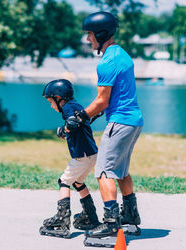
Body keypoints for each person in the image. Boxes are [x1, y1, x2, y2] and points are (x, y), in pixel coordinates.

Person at [76, 11, 144, 239]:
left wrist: (79, 117)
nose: (88, 39)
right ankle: (131, 219)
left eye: (90, 34)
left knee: (104, 171)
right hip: (134, 121)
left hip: (121, 121)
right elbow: (116, 96)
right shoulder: (122, 54)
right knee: (121, 171)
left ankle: (111, 225)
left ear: (101, 33)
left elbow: (102, 100)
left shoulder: (107, 62)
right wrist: (94, 114)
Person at [39, 79, 100, 238]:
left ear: (59, 98)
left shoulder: (67, 108)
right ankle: (90, 216)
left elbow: (72, 122)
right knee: (78, 182)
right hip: (91, 154)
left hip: (82, 156)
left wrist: (63, 130)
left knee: (64, 181)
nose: (51, 106)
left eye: (51, 101)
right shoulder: (76, 106)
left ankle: (61, 221)